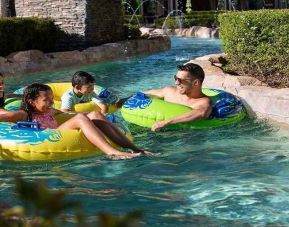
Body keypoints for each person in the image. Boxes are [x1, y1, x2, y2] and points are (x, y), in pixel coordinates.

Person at [16, 83, 152, 159]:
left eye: (52, 98)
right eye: (46, 100)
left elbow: (66, 114)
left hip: (60, 132)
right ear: (31, 101)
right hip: (48, 136)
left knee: (95, 114)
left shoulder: (50, 110)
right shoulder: (24, 114)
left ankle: (137, 149)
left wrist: (91, 115)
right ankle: (111, 152)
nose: (51, 102)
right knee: (81, 118)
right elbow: (6, 118)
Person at [145, 63, 212, 132]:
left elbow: (201, 113)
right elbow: (145, 94)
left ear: (196, 82)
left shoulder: (203, 101)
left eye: (180, 80)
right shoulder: (169, 91)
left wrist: (166, 122)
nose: (176, 83)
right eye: (175, 78)